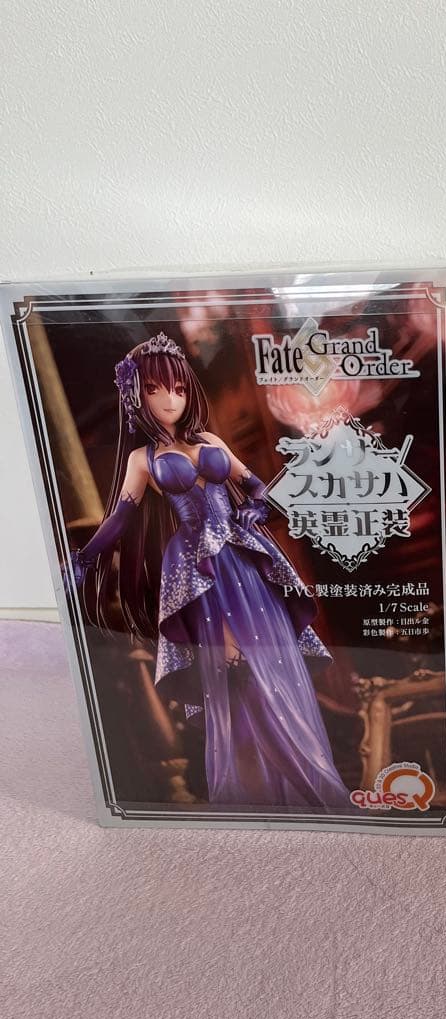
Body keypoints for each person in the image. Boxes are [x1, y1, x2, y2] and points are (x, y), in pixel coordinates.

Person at [68, 331, 350, 809]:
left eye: (178, 388)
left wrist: (255, 509)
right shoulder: (143, 459)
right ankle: (298, 792)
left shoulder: (211, 441)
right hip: (198, 572)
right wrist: (83, 559)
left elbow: (256, 486)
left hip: (246, 561)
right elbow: (119, 518)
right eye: (155, 389)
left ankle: (311, 790)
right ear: (136, 395)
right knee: (238, 676)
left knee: (274, 668)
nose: (170, 399)